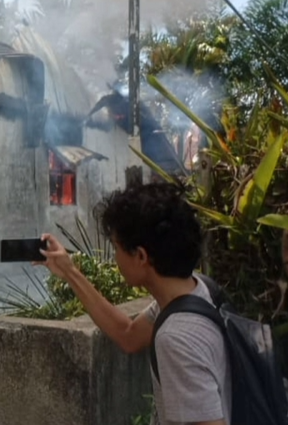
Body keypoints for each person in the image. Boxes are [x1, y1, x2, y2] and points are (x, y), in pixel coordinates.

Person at [37, 182, 231, 425]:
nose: (115, 257)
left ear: (140, 256)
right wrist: (70, 273)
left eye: (117, 247)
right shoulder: (196, 291)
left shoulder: (176, 337)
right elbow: (127, 335)